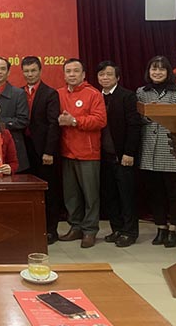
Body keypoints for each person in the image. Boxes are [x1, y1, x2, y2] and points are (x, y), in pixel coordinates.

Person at [137, 56, 176, 247]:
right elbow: (138, 117)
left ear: (168, 72)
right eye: (154, 69)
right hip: (149, 147)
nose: (157, 72)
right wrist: (150, 115)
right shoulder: (142, 92)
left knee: (173, 192)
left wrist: (162, 112)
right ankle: (161, 227)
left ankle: (174, 228)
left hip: (169, 148)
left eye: (161, 69)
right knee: (155, 192)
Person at [56, 58, 107, 248]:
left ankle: (90, 230)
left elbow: (100, 120)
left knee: (90, 195)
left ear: (83, 74)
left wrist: (75, 121)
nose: (72, 74)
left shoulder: (93, 94)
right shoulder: (58, 94)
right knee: (71, 195)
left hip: (88, 153)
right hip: (66, 152)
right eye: (68, 71)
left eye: (76, 71)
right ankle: (75, 227)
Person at [96, 61, 141, 248]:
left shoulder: (127, 96)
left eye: (109, 74)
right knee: (110, 195)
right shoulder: (96, 97)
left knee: (126, 195)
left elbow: (134, 126)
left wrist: (129, 152)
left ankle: (130, 232)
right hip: (103, 156)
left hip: (123, 155)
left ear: (117, 77)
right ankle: (117, 229)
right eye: (101, 74)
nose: (105, 78)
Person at [20, 56, 61, 244]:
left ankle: (51, 230)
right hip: (25, 149)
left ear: (40, 71)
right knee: (29, 191)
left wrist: (49, 151)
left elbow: (53, 124)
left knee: (48, 191)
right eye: (26, 71)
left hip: (44, 150)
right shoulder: (19, 92)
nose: (30, 74)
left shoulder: (50, 93)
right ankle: (32, 227)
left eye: (33, 70)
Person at [0, 57, 29, 172]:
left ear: (8, 72)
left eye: (3, 69)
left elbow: (23, 121)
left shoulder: (19, 94)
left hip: (13, 147)